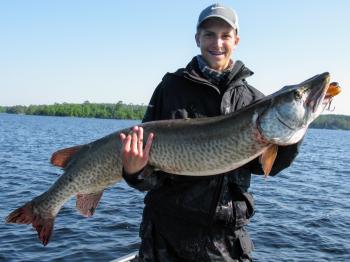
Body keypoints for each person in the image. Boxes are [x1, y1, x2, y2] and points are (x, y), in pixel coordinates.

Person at [119, 3, 300, 262]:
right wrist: (135, 171)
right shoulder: (171, 88)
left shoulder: (253, 101)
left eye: (225, 35)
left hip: (225, 241)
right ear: (197, 39)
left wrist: (294, 131)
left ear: (236, 40)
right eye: (209, 34)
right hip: (166, 237)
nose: (217, 42)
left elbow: (265, 167)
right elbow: (148, 174)